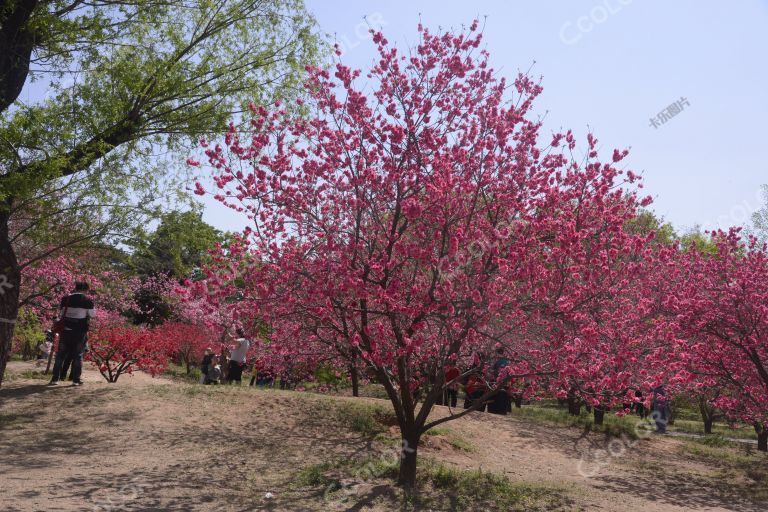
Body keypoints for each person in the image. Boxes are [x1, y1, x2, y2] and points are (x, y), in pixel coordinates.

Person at [49, 282, 95, 386]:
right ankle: (75, 380)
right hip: (79, 331)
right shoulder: (87, 300)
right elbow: (93, 315)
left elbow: (61, 313)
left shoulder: (66, 299)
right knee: (78, 356)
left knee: (60, 355)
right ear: (85, 289)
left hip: (65, 330)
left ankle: (54, 379)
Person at [487, 347, 511, 415]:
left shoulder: (499, 360)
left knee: (496, 396)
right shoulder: (506, 361)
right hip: (502, 382)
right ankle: (501, 411)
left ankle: (494, 410)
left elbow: (496, 371)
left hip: (497, 381)